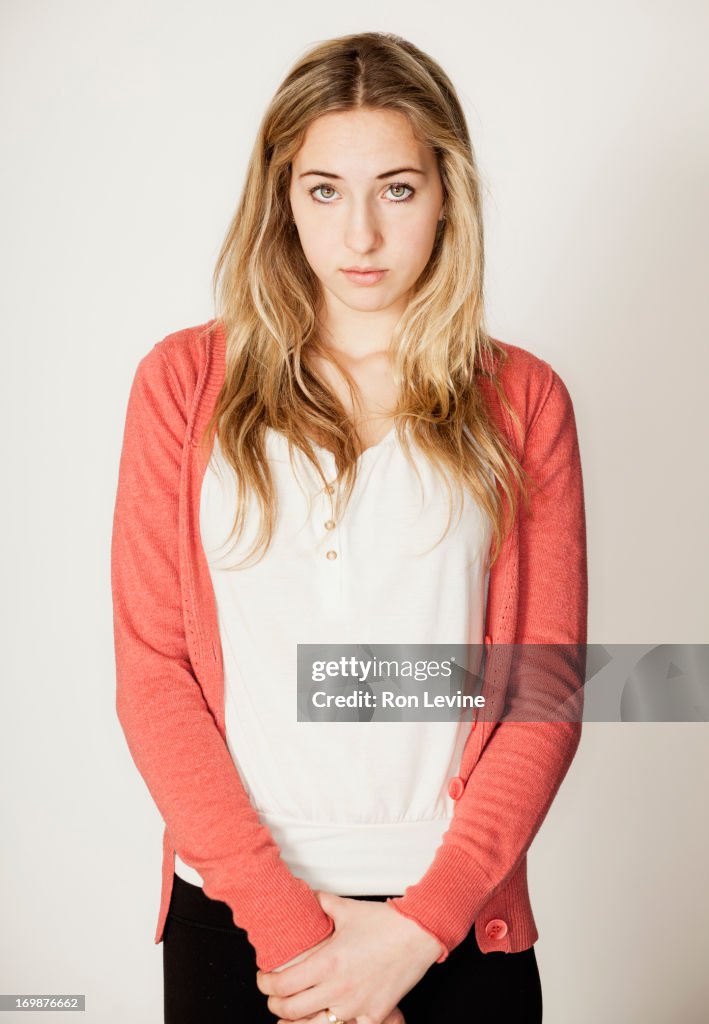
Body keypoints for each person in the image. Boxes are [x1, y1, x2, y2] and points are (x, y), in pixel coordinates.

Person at [111, 30, 587, 1024]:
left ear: (446, 190)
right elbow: (155, 674)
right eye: (325, 189)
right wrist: (298, 937)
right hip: (237, 926)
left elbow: (543, 691)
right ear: (282, 194)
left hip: (452, 927)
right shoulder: (183, 385)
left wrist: (415, 934)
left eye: (397, 189)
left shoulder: (524, 399)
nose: (359, 234)